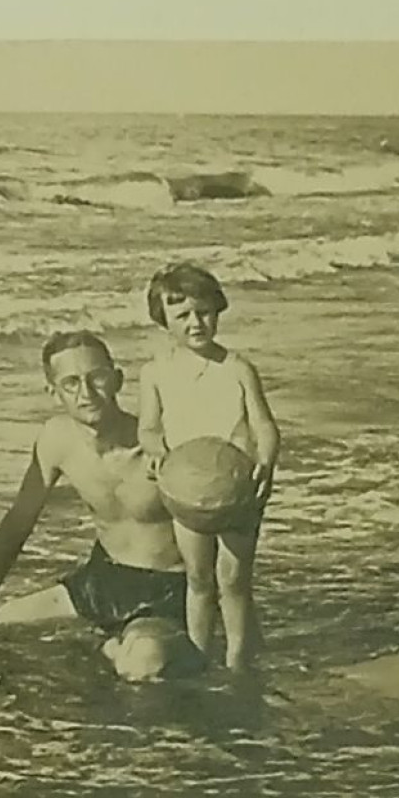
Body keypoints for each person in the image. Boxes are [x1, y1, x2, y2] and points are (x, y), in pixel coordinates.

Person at [0, 330, 202, 680]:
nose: (86, 393)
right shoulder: (56, 438)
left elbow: (217, 509)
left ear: (118, 379)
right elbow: (19, 520)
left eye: (97, 378)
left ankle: (112, 646)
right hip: (100, 581)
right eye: (71, 383)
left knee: (140, 667)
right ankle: (108, 642)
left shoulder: (160, 445)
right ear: (53, 391)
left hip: (164, 589)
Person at [136, 262, 281, 675]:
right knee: (198, 580)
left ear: (218, 310)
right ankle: (198, 656)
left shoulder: (236, 369)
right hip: (187, 491)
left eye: (204, 311)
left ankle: (239, 660)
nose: (195, 323)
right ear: (163, 321)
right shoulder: (155, 373)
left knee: (233, 581)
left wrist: (266, 461)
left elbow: (264, 425)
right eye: (182, 315)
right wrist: (156, 451)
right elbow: (148, 427)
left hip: (238, 489)